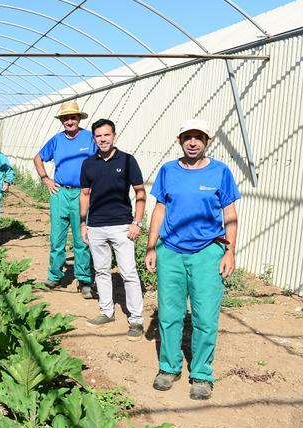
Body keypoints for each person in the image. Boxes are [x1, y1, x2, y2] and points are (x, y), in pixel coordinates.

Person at [145, 119, 239, 401]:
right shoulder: (168, 170)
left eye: (199, 137)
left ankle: (201, 374)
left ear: (207, 141)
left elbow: (230, 215)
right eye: (188, 137)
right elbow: (160, 210)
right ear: (179, 139)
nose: (193, 142)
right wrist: (151, 247)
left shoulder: (220, 172)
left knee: (205, 316)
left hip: (208, 252)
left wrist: (230, 251)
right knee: (170, 313)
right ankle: (169, 367)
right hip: (171, 251)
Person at [79, 119, 146, 341]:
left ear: (114, 136)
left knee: (128, 273)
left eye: (107, 135)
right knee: (101, 271)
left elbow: (139, 192)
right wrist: (83, 223)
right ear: (94, 138)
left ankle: (136, 319)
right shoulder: (88, 164)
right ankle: (106, 311)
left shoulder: (127, 160)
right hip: (96, 226)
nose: (103, 139)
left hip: (122, 226)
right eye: (98, 136)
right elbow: (85, 194)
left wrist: (137, 222)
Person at [34, 100, 98, 298]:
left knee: (82, 239)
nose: (69, 121)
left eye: (73, 117)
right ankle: (54, 275)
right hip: (60, 193)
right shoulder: (57, 140)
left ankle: (85, 280)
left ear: (79, 119)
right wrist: (46, 179)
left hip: (83, 194)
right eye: (65, 118)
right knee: (57, 237)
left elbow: (103, 160)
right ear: (62, 121)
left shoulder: (90, 139)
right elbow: (38, 158)